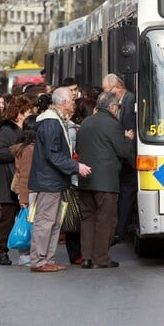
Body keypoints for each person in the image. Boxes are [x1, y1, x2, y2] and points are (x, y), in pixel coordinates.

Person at [28, 87, 91, 272]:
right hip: (50, 181)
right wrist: (76, 167)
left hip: (52, 180)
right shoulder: (51, 123)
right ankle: (40, 260)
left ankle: (46, 259)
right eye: (72, 100)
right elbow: (53, 154)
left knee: (53, 222)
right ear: (63, 103)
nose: (73, 103)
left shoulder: (53, 121)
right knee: (46, 221)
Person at [76, 92, 134, 269]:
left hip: (86, 180)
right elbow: (123, 151)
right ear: (112, 107)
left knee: (87, 219)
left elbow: (78, 147)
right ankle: (100, 258)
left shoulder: (86, 122)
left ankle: (86, 257)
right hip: (106, 182)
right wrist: (127, 138)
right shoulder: (113, 124)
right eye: (117, 107)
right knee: (106, 220)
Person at [0, 95, 33, 266]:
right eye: (27, 112)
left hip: (21, 180)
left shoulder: (26, 130)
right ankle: (2, 250)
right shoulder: (6, 131)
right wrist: (19, 151)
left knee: (25, 217)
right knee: (7, 218)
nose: (30, 114)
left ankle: (25, 251)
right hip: (8, 180)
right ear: (19, 113)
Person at [102, 74, 136, 245]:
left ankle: (120, 230)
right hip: (125, 156)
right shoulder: (123, 100)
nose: (107, 95)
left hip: (129, 157)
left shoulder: (129, 100)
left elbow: (130, 128)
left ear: (117, 87)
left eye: (108, 91)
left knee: (127, 193)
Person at [64, 97, 96, 265]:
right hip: (75, 177)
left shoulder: (75, 128)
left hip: (76, 176)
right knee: (76, 216)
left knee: (77, 215)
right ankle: (76, 252)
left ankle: (78, 252)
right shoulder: (74, 130)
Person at [10, 114, 39, 267]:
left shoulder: (24, 147)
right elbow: (25, 175)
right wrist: (24, 199)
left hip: (25, 191)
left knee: (30, 222)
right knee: (30, 223)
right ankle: (25, 255)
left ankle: (27, 254)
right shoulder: (28, 150)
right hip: (29, 191)